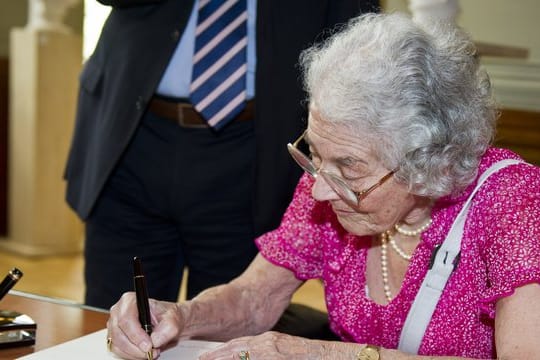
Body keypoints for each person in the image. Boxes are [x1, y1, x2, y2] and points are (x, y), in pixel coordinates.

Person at [106, 12, 540, 359]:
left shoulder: (513, 203)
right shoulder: (328, 182)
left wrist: (320, 355)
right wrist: (182, 315)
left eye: (349, 166)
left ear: (430, 160)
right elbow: (255, 298)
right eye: (313, 153)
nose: (318, 190)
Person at [63, 0, 379, 309]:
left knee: (225, 329)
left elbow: (352, 34)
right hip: (133, 138)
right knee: (116, 319)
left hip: (253, 154)